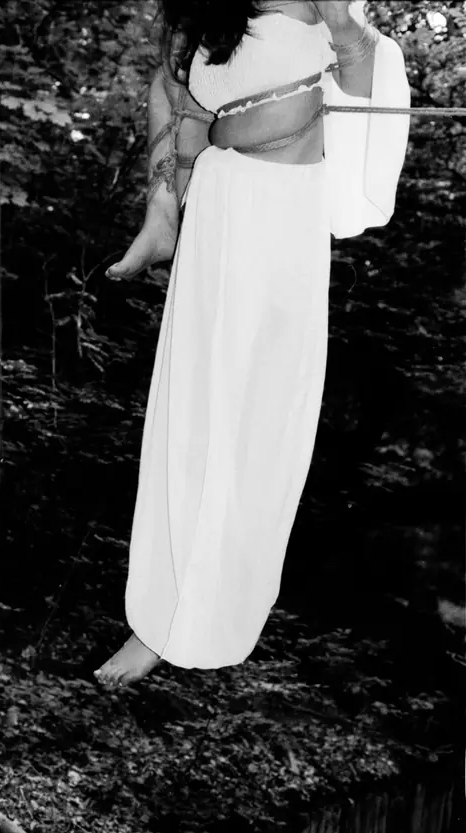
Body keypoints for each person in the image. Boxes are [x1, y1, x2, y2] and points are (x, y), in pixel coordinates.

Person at [94, 0, 410, 689]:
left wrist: (346, 30)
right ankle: (158, 619)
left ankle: (209, 615)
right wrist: (161, 209)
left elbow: (366, 83)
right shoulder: (207, 5)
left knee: (255, 427)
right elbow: (171, 92)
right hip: (218, 203)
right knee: (190, 417)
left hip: (285, 219)